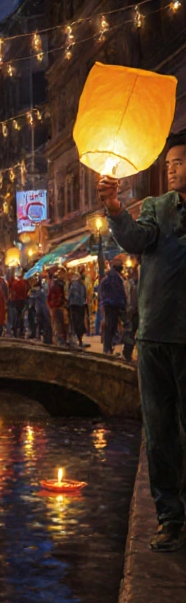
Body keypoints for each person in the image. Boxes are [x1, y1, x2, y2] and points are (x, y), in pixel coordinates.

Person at [99, 136, 186, 552]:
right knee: (159, 432)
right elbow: (135, 239)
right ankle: (170, 518)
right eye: (168, 163)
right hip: (153, 334)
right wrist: (115, 208)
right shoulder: (155, 207)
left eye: (180, 162)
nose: (171, 168)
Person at [97, 263, 127, 355]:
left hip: (107, 305)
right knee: (112, 327)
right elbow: (121, 293)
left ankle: (107, 349)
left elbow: (100, 292)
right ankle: (108, 349)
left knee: (108, 327)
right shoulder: (118, 280)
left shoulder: (105, 279)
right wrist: (124, 305)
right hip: (115, 306)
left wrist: (102, 303)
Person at [67, 269, 89, 347]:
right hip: (78, 305)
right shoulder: (78, 284)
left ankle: (78, 340)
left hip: (76, 305)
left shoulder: (77, 284)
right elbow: (78, 295)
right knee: (78, 323)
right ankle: (78, 340)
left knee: (77, 323)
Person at [48, 270, 69, 346]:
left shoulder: (53, 287)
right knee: (62, 324)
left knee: (57, 324)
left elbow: (49, 298)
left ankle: (59, 338)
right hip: (59, 307)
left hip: (56, 307)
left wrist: (51, 306)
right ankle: (62, 338)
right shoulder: (60, 287)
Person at [29, 277, 52, 344]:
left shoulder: (39, 291)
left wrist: (31, 290)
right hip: (43, 309)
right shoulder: (43, 291)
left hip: (41, 310)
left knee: (40, 323)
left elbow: (31, 295)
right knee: (43, 324)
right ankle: (44, 337)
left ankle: (41, 337)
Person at [8, 270, 29, 338]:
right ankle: (20, 331)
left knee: (16, 316)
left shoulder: (17, 282)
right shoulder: (24, 282)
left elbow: (10, 287)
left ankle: (16, 330)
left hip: (16, 300)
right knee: (20, 316)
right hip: (22, 300)